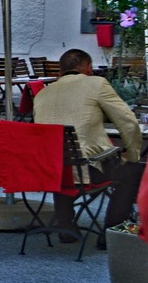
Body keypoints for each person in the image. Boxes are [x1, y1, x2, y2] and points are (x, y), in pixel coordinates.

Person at [32, 47, 142, 247]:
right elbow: (128, 121)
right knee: (134, 169)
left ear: (60, 72)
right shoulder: (97, 83)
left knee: (63, 156)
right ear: (88, 68)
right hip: (86, 173)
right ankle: (111, 232)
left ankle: (66, 225)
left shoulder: (42, 94)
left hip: (50, 172)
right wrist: (132, 153)